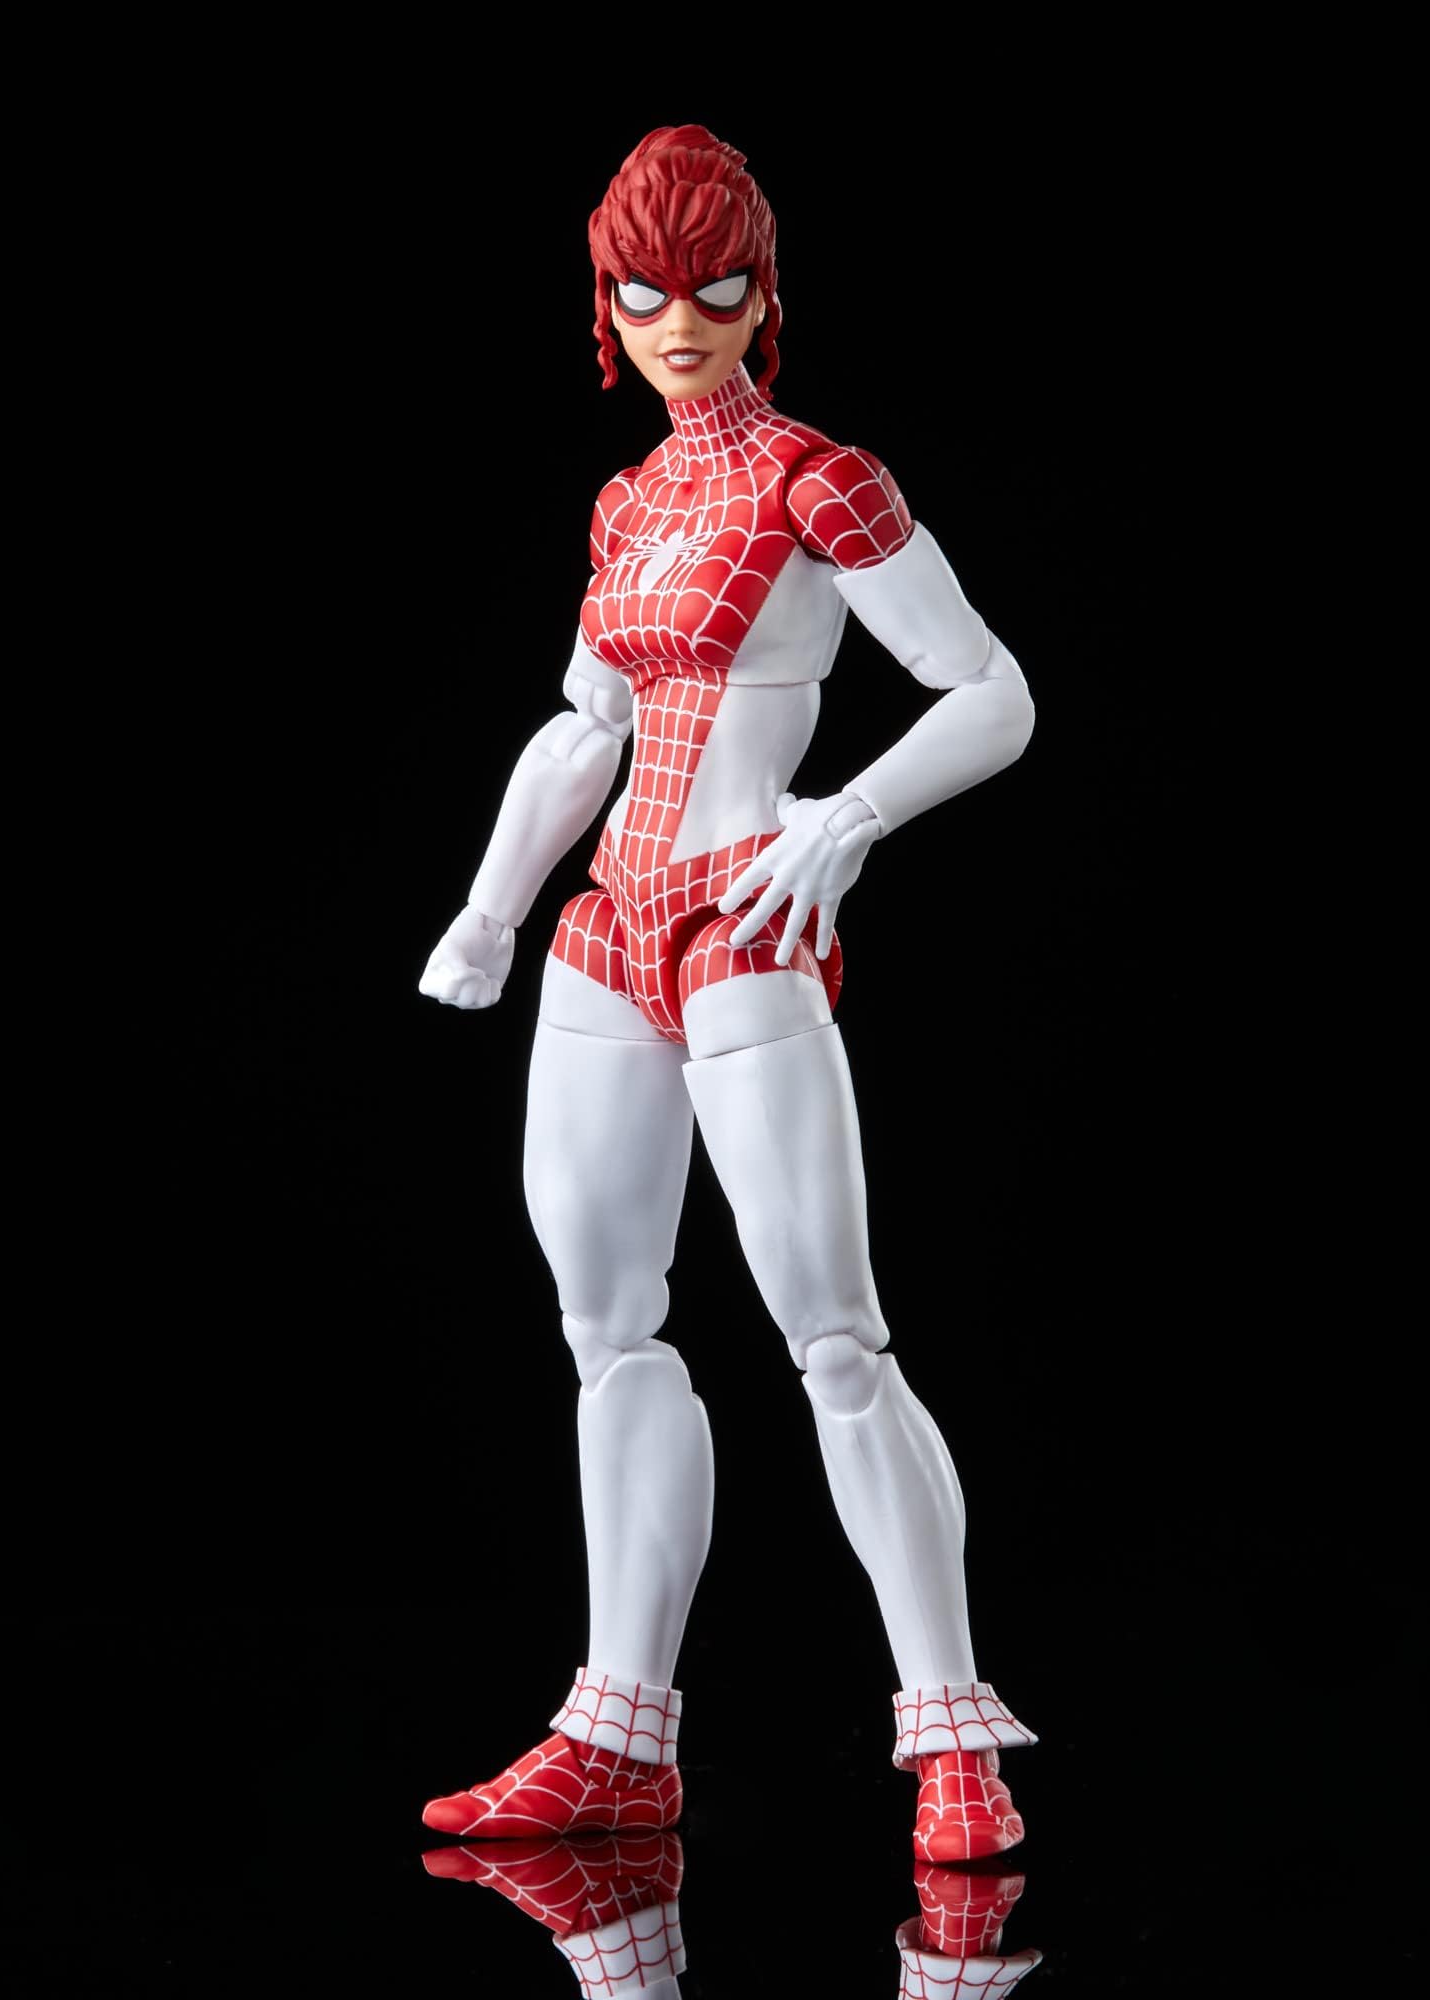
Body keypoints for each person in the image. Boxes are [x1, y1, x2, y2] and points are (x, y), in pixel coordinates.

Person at [418, 124, 1037, 1863]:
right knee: (606, 1332)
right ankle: (618, 1734)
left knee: (833, 1335)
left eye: (714, 286)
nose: (678, 323)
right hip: (610, 930)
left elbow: (991, 690)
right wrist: (488, 907)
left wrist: (851, 816)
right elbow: (585, 727)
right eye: (643, 291)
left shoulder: (819, 480)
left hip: (746, 920)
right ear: (604, 303)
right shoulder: (627, 501)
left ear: (766, 293)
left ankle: (951, 1735)